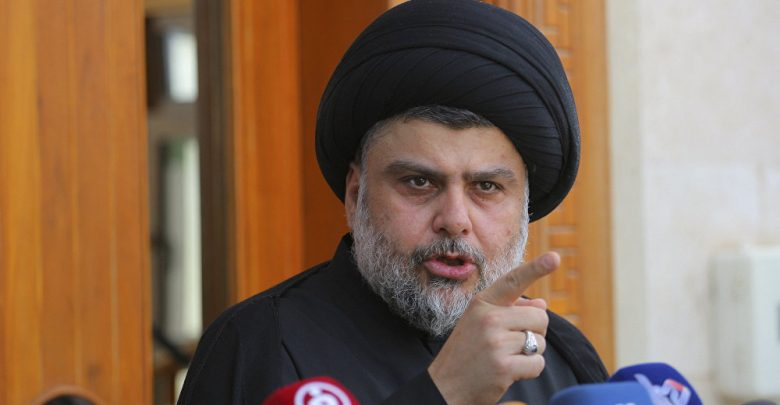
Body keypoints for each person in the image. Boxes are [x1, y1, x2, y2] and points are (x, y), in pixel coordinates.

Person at [178, 1, 607, 404]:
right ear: (355, 194)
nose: (454, 219)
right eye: (419, 182)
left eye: (486, 187)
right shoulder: (258, 344)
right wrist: (444, 391)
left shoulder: (560, 355)